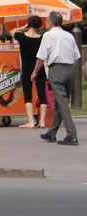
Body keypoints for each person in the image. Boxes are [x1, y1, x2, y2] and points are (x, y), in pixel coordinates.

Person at [32, 11, 80, 145]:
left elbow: (41, 56)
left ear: (51, 23)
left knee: (62, 102)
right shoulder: (69, 36)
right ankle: (52, 132)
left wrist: (35, 72)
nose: (46, 23)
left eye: (47, 21)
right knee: (61, 101)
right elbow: (76, 56)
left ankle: (72, 134)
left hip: (57, 68)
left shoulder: (48, 35)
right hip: (70, 68)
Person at [13, 15, 48, 129]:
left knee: (28, 96)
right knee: (42, 94)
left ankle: (30, 121)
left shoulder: (21, 37)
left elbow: (12, 31)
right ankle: (42, 121)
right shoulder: (42, 38)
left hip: (27, 69)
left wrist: (24, 27)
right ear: (39, 26)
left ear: (29, 24)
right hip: (40, 69)